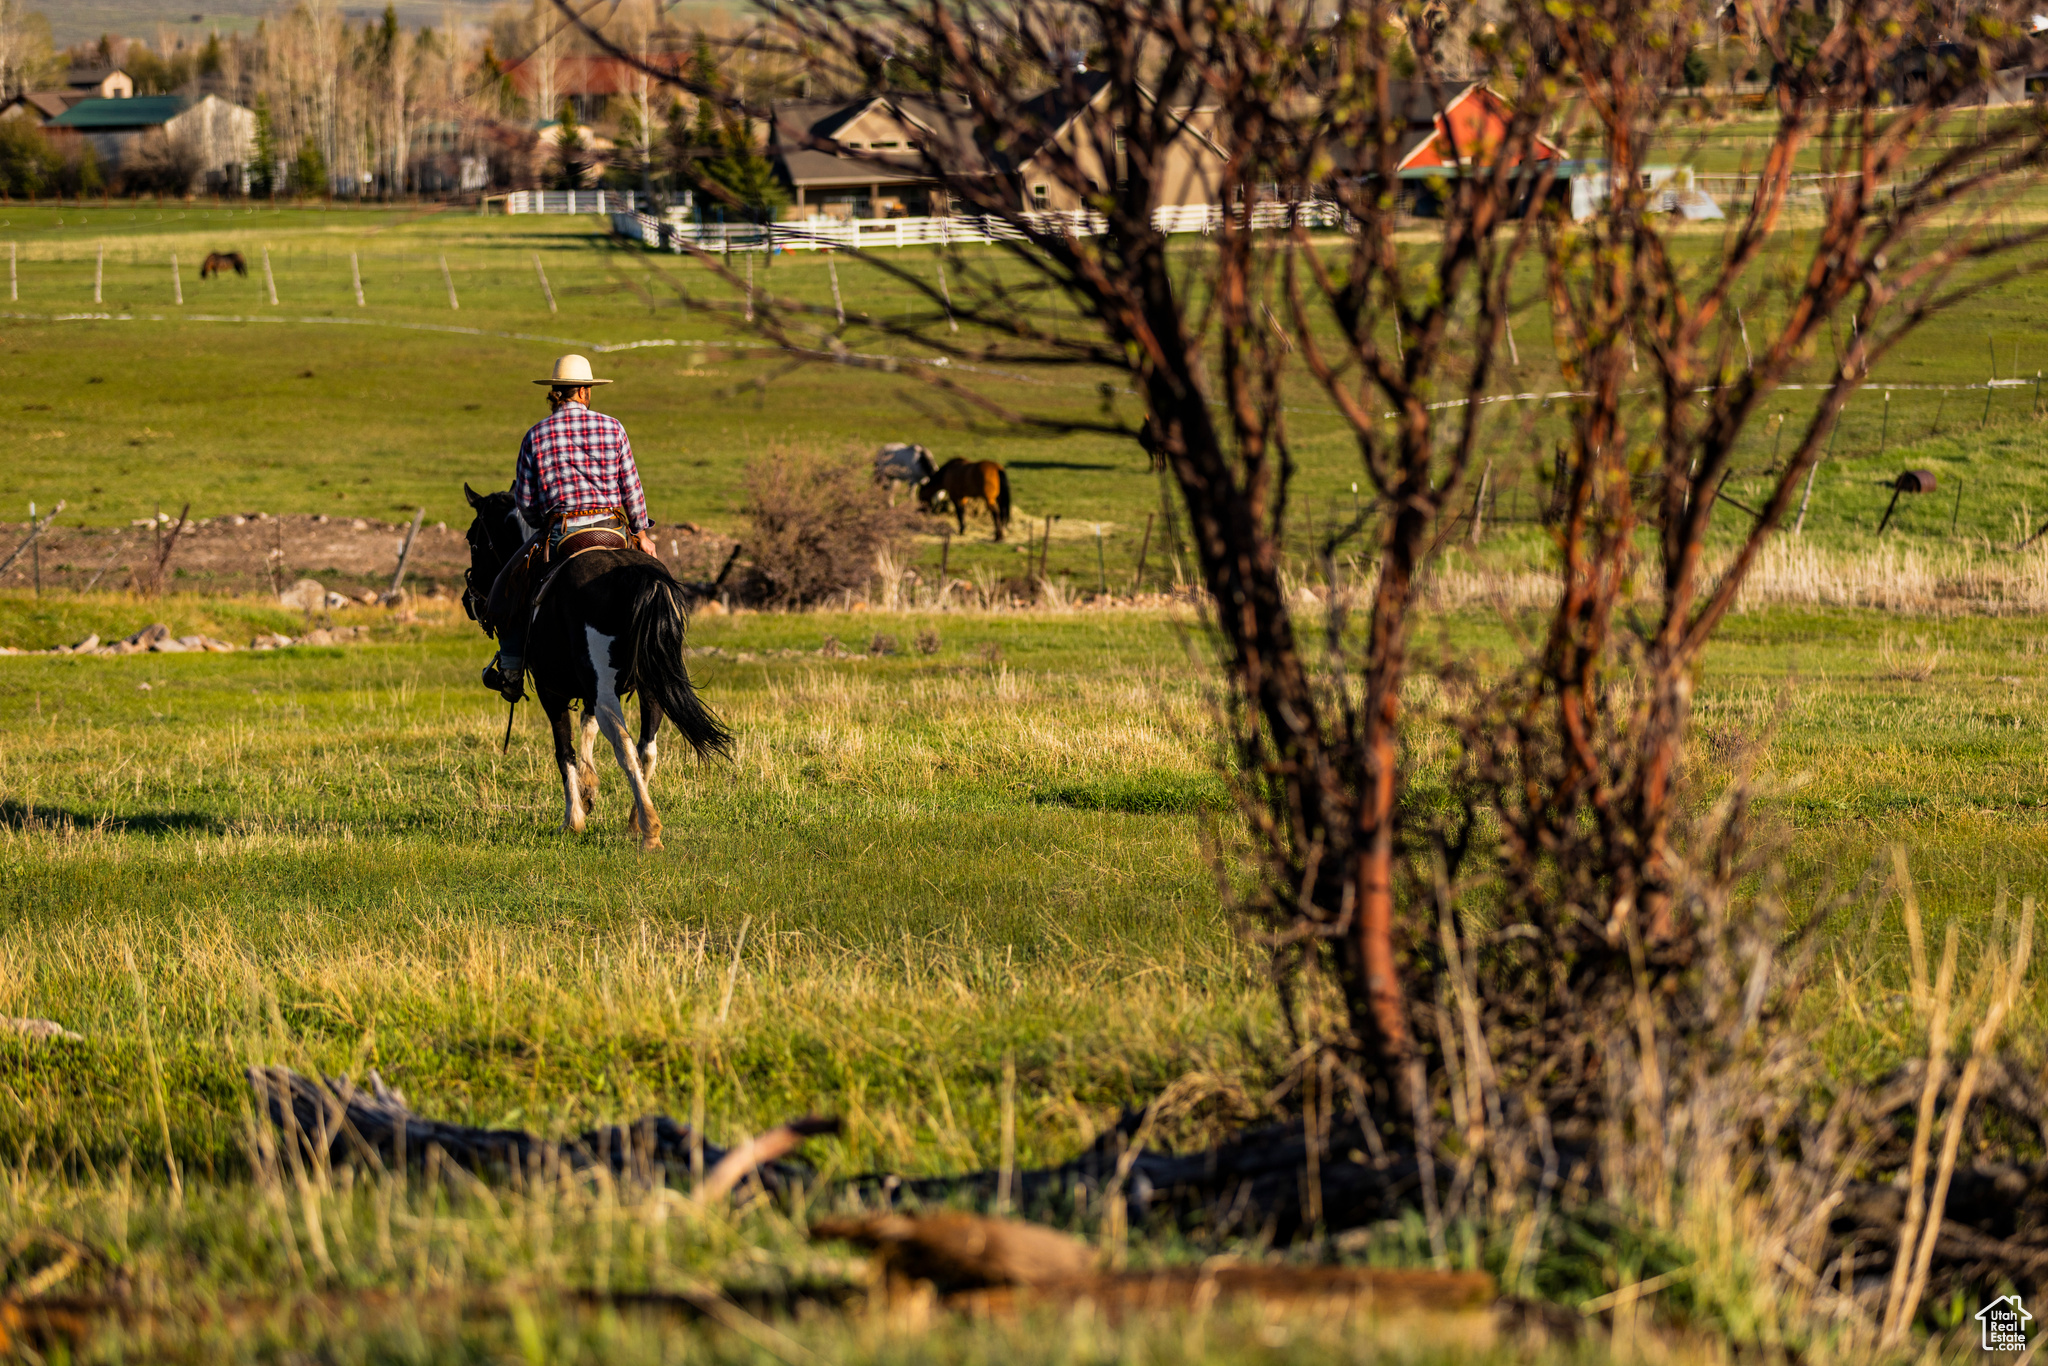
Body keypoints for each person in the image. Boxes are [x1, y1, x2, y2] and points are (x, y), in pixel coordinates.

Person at [481, 354, 659, 701]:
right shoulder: (614, 427)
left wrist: (540, 525)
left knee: (513, 588)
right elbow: (631, 487)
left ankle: (512, 670)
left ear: (555, 393)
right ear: (585, 391)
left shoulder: (536, 435)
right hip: (613, 530)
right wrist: (641, 533)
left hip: (564, 534)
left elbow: (527, 502)